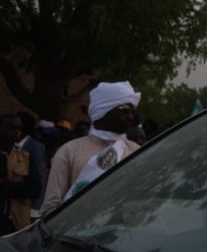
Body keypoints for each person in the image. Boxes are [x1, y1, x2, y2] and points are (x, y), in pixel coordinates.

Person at [41, 81, 142, 213]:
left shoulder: (135, 151)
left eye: (132, 112)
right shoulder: (69, 151)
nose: (130, 117)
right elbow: (51, 207)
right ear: (103, 110)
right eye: (124, 110)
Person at [0, 114, 42, 235]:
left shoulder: (24, 157)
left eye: (18, 128)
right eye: (10, 127)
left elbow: (35, 189)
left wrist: (7, 185)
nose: (15, 132)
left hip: (16, 222)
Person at [16, 112, 48, 218]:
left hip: (29, 206)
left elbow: (40, 177)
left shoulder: (35, 147)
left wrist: (36, 208)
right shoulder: (10, 146)